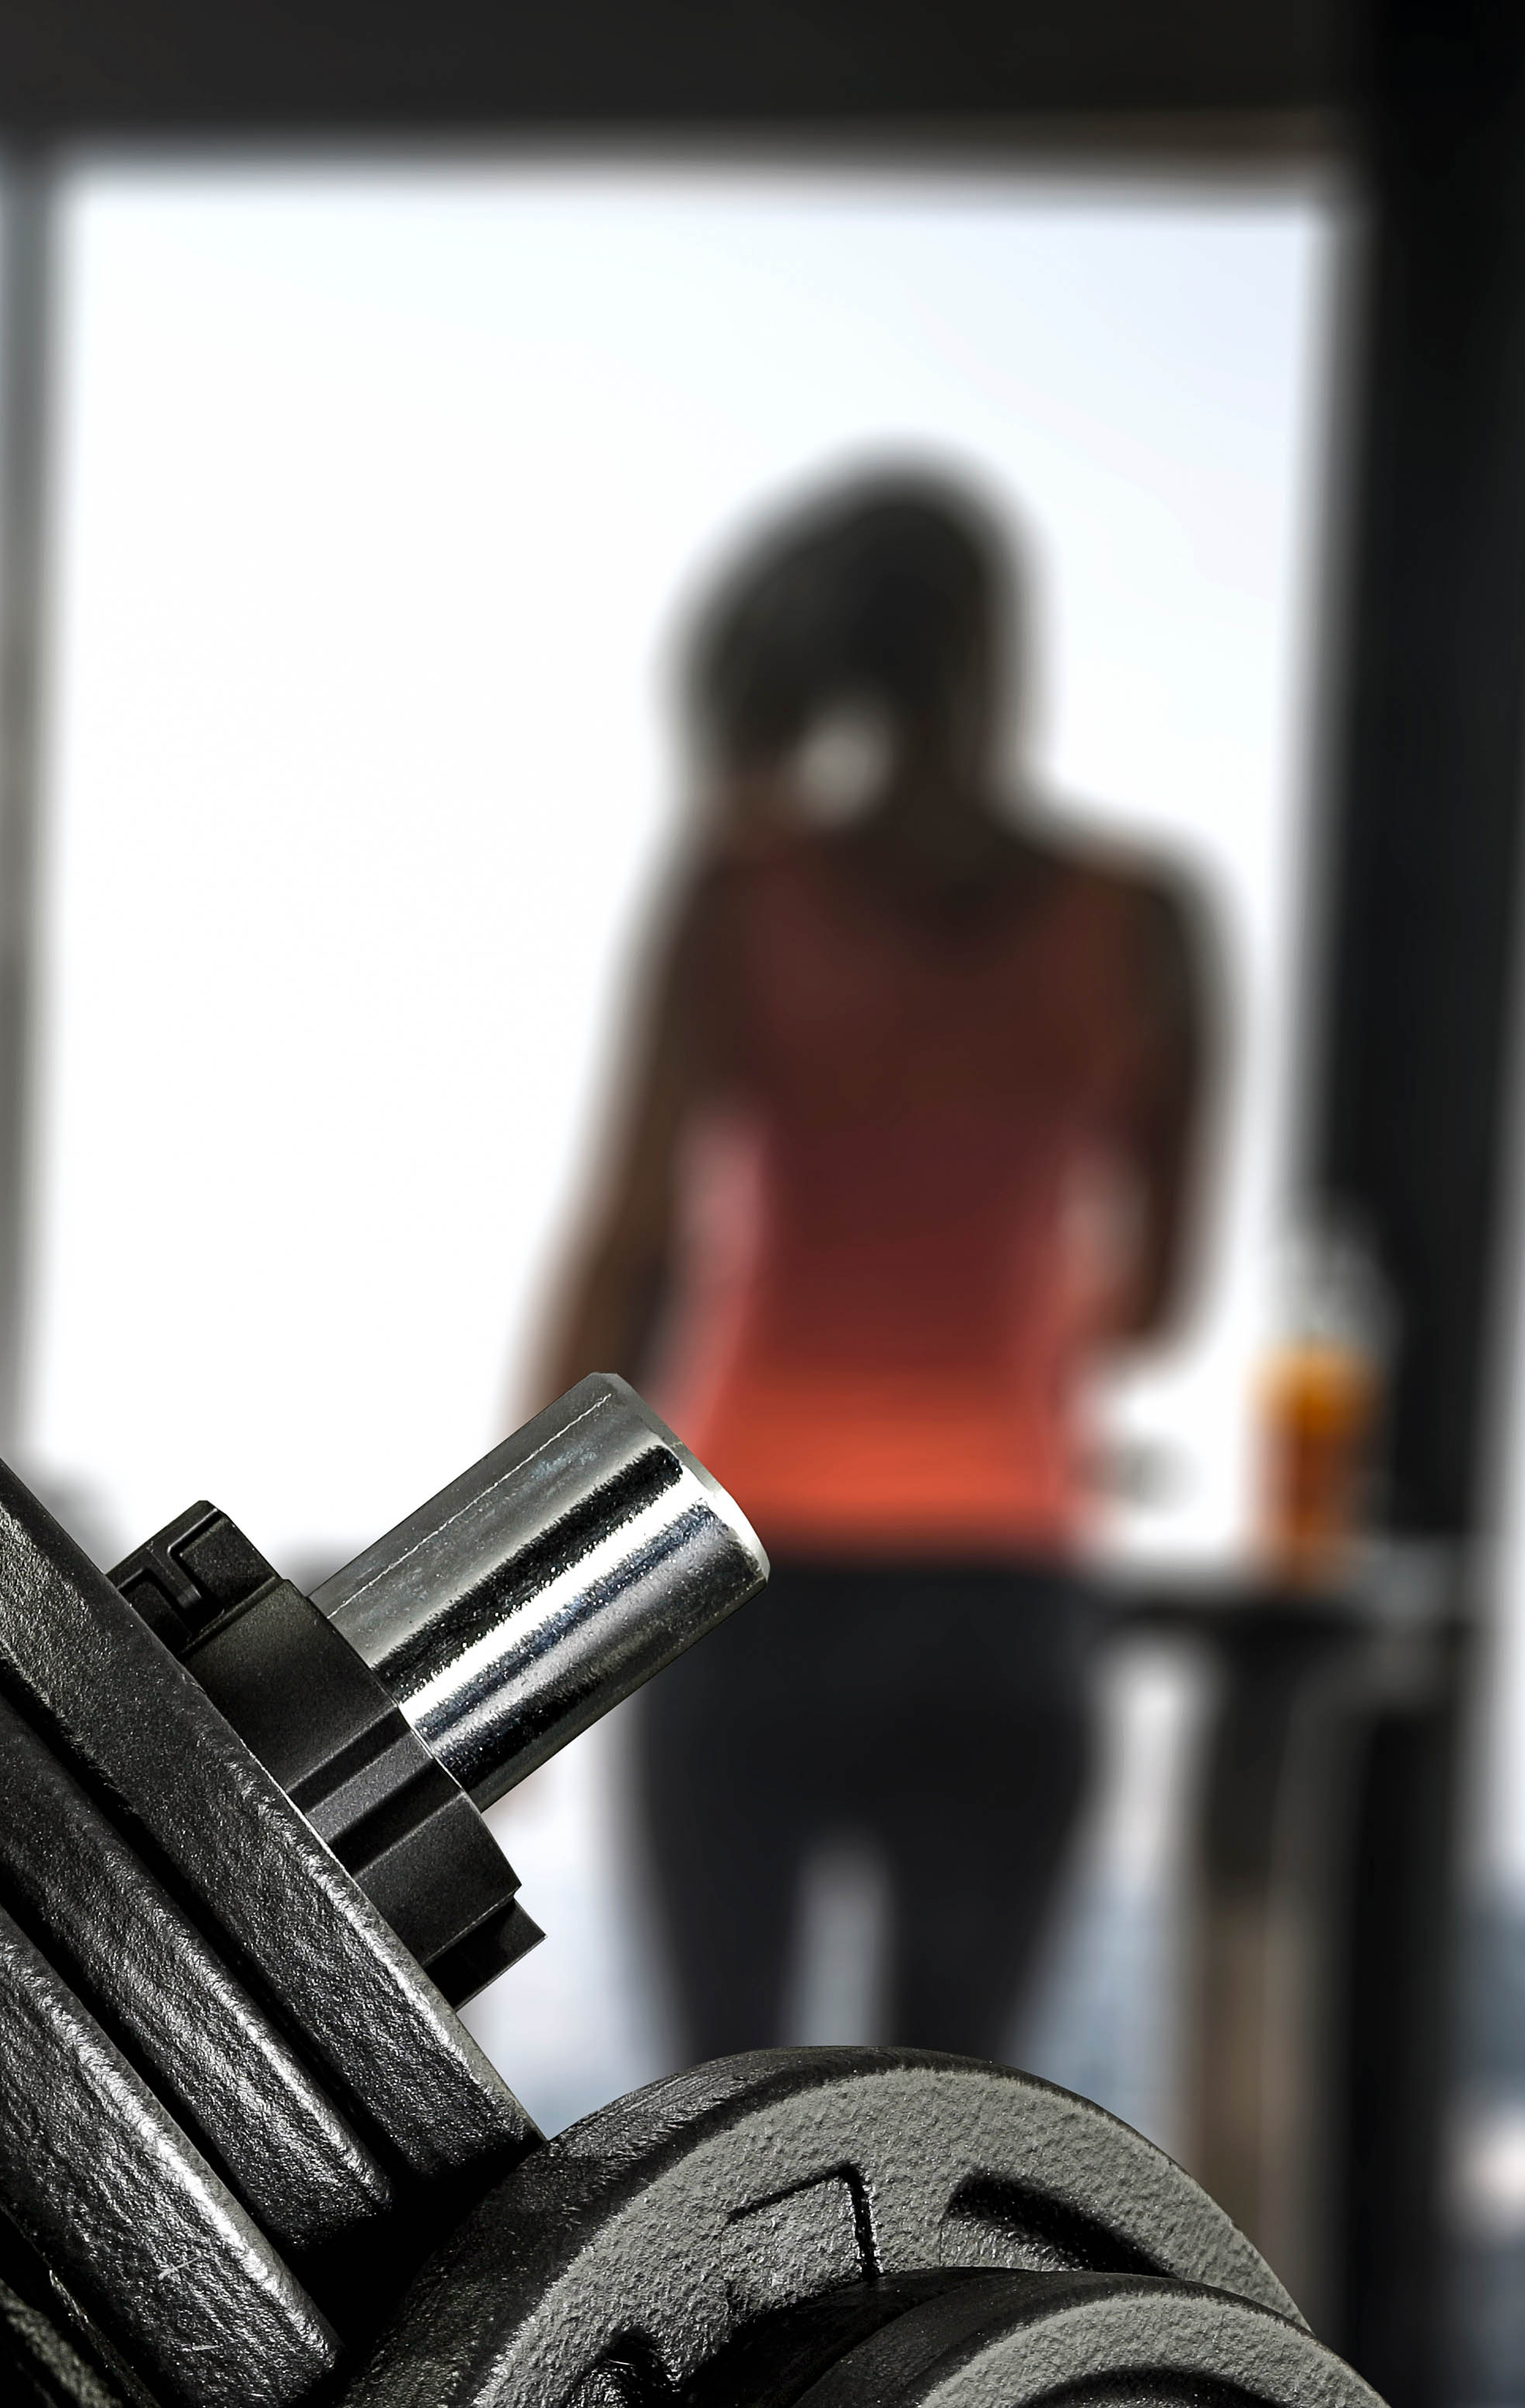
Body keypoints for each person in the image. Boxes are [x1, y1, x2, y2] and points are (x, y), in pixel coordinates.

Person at [534, 463, 1215, 2070]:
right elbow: (1163, 1297)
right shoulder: (1145, 923)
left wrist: (527, 1569)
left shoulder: (738, 894)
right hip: (1003, 1589)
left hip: (743, 1577)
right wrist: (1014, 1338)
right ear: (1001, 648)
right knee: (952, 2117)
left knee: (719, 2108)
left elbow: (630, 1245)